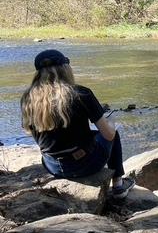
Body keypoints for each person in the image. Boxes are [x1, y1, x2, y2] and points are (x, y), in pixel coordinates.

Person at [21, 49, 134, 199]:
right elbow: (108, 134)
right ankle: (118, 186)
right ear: (65, 69)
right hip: (84, 165)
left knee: (92, 136)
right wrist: (111, 123)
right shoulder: (81, 94)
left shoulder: (28, 98)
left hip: (52, 166)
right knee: (113, 133)